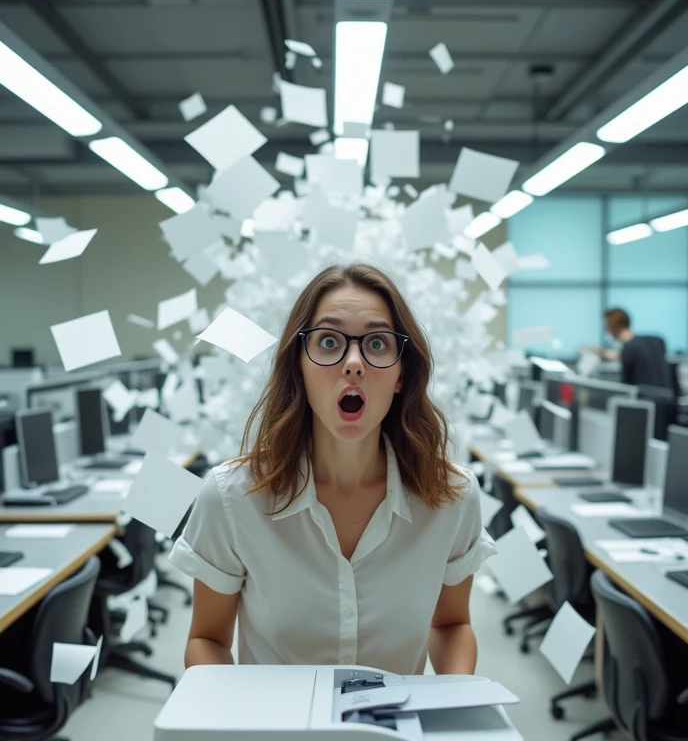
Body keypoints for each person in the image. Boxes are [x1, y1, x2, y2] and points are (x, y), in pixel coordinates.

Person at [168, 263, 497, 676]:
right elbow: (207, 640)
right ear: (299, 368)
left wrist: (458, 701)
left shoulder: (451, 496)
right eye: (328, 341)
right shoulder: (232, 498)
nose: (354, 363)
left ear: (401, 374)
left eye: (377, 344)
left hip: (396, 737)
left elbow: (451, 625)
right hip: (278, 735)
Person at [597, 308, 674, 391]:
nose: (606, 330)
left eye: (607, 325)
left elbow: (626, 386)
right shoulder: (654, 341)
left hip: (645, 400)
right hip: (666, 398)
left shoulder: (629, 348)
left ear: (614, 326)